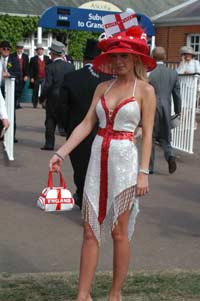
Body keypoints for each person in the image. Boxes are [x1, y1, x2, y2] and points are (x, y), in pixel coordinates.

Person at [49, 25, 156, 301]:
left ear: (135, 58)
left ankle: (115, 293)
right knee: (89, 229)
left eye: (124, 56)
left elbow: (147, 135)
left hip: (125, 162)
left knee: (119, 232)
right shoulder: (101, 87)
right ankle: (82, 295)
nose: (118, 61)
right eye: (114, 56)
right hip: (97, 159)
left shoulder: (145, 90)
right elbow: (86, 124)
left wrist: (143, 172)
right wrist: (61, 152)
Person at [58, 39, 111, 210]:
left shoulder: (71, 77)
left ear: (84, 57)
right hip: (103, 131)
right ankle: (94, 201)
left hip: (76, 129)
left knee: (80, 168)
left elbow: (62, 106)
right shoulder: (109, 80)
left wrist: (66, 127)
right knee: (99, 170)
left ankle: (82, 194)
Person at [149, 47, 182, 174]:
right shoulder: (173, 73)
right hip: (166, 108)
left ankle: (149, 167)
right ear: (165, 56)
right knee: (165, 136)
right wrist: (178, 110)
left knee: (150, 137)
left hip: (151, 107)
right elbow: (177, 95)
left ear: (152, 56)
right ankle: (170, 156)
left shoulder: (148, 72)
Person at [39, 40, 75, 150]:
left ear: (54, 54)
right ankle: (70, 144)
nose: (50, 55)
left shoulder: (50, 67)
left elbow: (47, 85)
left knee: (50, 120)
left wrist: (42, 98)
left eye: (50, 53)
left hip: (53, 97)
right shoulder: (70, 67)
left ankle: (49, 144)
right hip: (66, 97)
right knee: (67, 121)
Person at [0, 40, 21, 143]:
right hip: (0, 90)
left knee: (11, 113)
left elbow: (18, 73)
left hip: (10, 90)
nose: (6, 51)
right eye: (4, 49)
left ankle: (11, 136)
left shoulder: (14, 60)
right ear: (0, 49)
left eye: (8, 49)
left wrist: (8, 74)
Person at [177, 45, 200, 130]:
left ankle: (193, 123)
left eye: (189, 54)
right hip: (183, 87)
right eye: (185, 54)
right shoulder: (182, 63)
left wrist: (189, 73)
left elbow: (198, 74)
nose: (187, 56)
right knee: (183, 106)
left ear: (192, 55)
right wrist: (182, 63)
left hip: (192, 87)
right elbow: (178, 73)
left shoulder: (195, 63)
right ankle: (183, 123)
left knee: (191, 106)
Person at [29, 43, 51, 108]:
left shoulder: (47, 58)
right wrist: (32, 77)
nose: (40, 51)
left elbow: (50, 67)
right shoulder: (33, 59)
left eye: (41, 49)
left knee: (44, 91)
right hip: (36, 77)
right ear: (36, 51)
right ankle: (34, 103)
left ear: (43, 50)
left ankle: (43, 103)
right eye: (38, 50)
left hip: (45, 77)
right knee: (35, 91)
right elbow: (31, 69)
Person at [11, 41, 29, 109]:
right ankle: (15, 103)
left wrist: (26, 75)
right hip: (15, 75)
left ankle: (18, 103)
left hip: (22, 75)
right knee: (15, 90)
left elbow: (27, 66)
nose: (20, 49)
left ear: (23, 49)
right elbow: (10, 66)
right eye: (18, 48)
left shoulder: (25, 56)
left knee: (20, 90)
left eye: (21, 48)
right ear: (16, 48)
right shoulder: (12, 56)